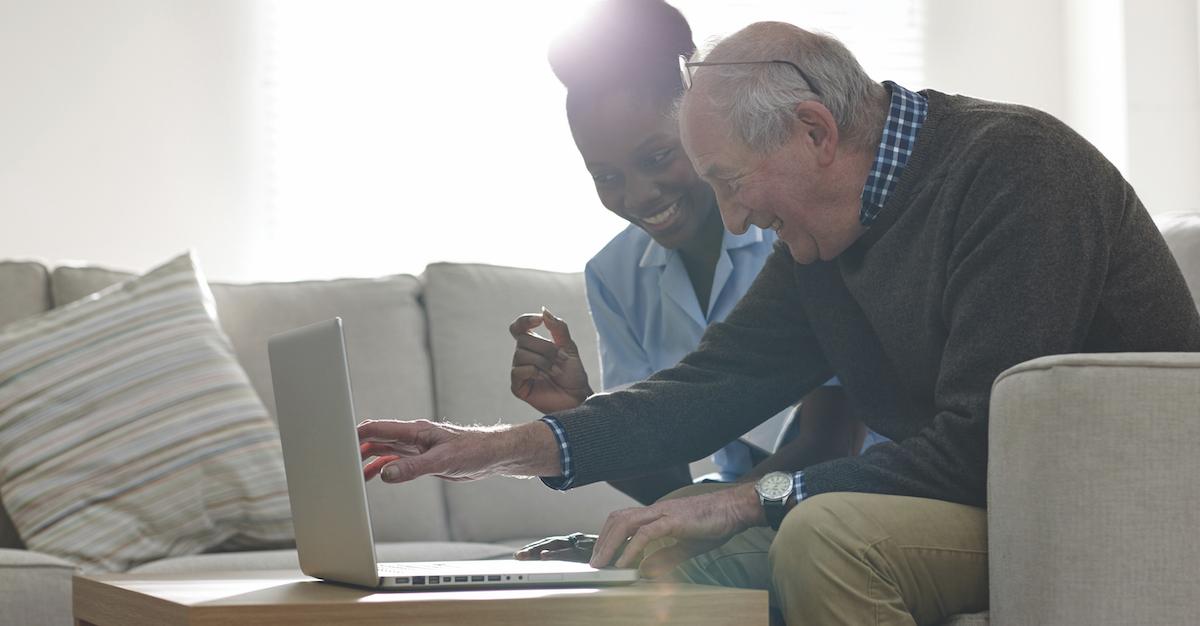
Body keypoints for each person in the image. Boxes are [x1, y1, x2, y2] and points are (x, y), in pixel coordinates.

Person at [357, 20, 1200, 625]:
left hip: (1093, 504)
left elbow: (986, 445)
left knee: (823, 534)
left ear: (814, 132)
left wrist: (750, 500)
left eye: (729, 180)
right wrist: (492, 449)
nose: (731, 220)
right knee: (660, 550)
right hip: (982, 496)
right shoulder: (823, 237)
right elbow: (709, 387)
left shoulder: (1017, 174)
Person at [505, 0, 874, 507]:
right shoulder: (613, 276)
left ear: (701, 130)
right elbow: (666, 481)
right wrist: (577, 409)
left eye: (657, 158)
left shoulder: (794, 230)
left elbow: (830, 446)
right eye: (606, 177)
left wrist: (702, 524)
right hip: (745, 504)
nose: (637, 196)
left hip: (845, 500)